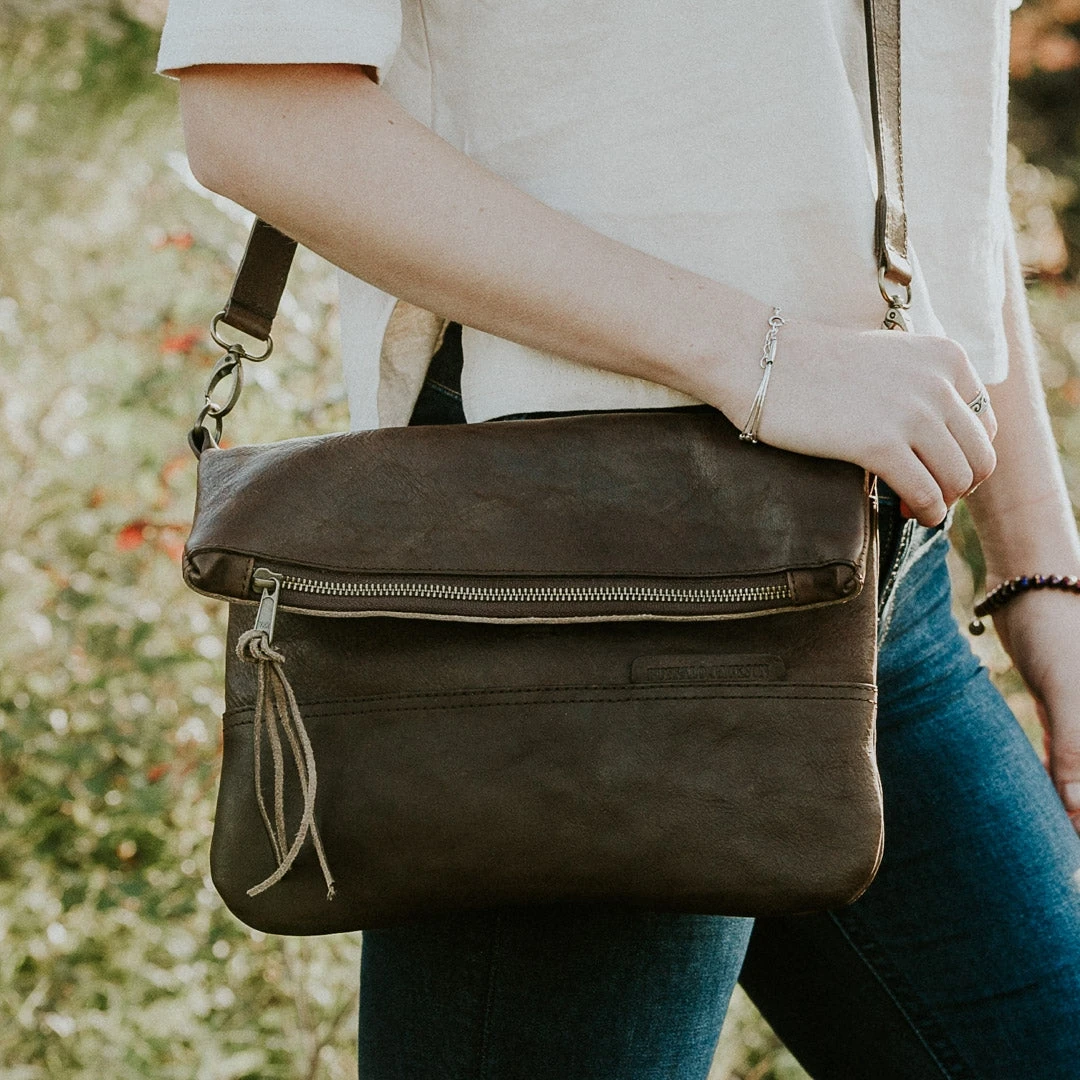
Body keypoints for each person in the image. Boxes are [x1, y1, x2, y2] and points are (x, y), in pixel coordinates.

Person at [157, 0, 1080, 1075]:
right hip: (574, 590)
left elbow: (918, 145)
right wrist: (765, 360)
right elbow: (255, 107)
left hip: (872, 562)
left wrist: (1039, 570)